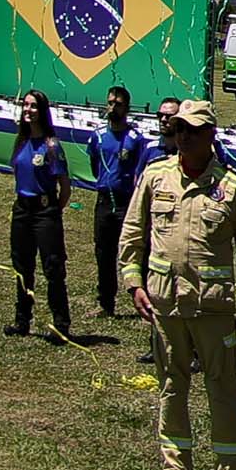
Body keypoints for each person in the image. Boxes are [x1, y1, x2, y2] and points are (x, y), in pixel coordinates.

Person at [119, 101, 236, 470]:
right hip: (165, 302)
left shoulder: (231, 186)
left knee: (222, 388)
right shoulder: (155, 176)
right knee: (170, 386)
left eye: (193, 130)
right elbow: (133, 233)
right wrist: (133, 282)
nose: (184, 136)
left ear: (211, 135)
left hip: (213, 305)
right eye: (179, 129)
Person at [5, 95, 75, 339]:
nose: (28, 110)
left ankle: (61, 324)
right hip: (22, 210)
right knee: (22, 267)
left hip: (45, 211)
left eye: (34, 106)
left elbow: (65, 187)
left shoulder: (51, 145)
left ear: (42, 111)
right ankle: (22, 321)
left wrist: (53, 211)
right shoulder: (21, 141)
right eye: (26, 105)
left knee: (53, 268)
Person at [85, 88, 155, 318]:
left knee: (135, 250)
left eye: (118, 104)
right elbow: (95, 166)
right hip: (104, 201)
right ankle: (106, 303)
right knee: (104, 253)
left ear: (127, 108)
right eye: (110, 103)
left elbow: (140, 171)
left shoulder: (135, 139)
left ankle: (145, 301)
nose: (113, 108)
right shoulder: (97, 136)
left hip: (127, 202)